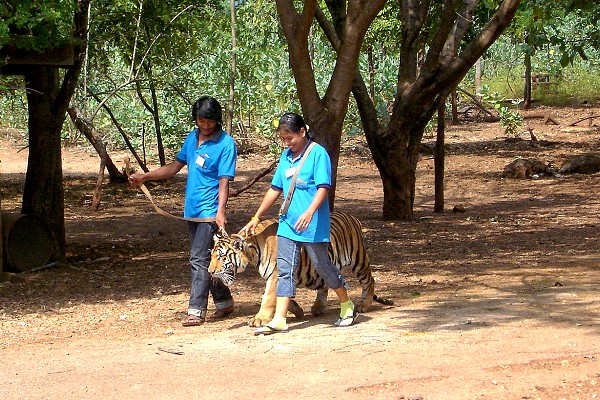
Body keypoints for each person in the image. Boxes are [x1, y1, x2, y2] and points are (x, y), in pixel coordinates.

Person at [239, 112, 356, 335]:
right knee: (285, 270)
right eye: (283, 139)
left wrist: (310, 212)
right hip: (288, 223)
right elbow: (275, 189)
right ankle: (279, 318)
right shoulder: (285, 157)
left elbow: (324, 187)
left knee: (322, 266)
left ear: (303, 132)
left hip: (312, 223)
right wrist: (257, 216)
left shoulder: (317, 154)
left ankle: (346, 305)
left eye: (290, 137)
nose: (287, 143)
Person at [129, 95, 236, 326]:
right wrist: (145, 176)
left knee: (199, 259)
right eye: (201, 121)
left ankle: (196, 310)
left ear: (216, 120)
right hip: (192, 210)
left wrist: (221, 211)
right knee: (209, 257)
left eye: (209, 122)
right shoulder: (192, 138)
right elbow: (175, 167)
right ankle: (224, 302)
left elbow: (224, 181)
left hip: (209, 211)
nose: (205, 126)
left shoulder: (226, 144)